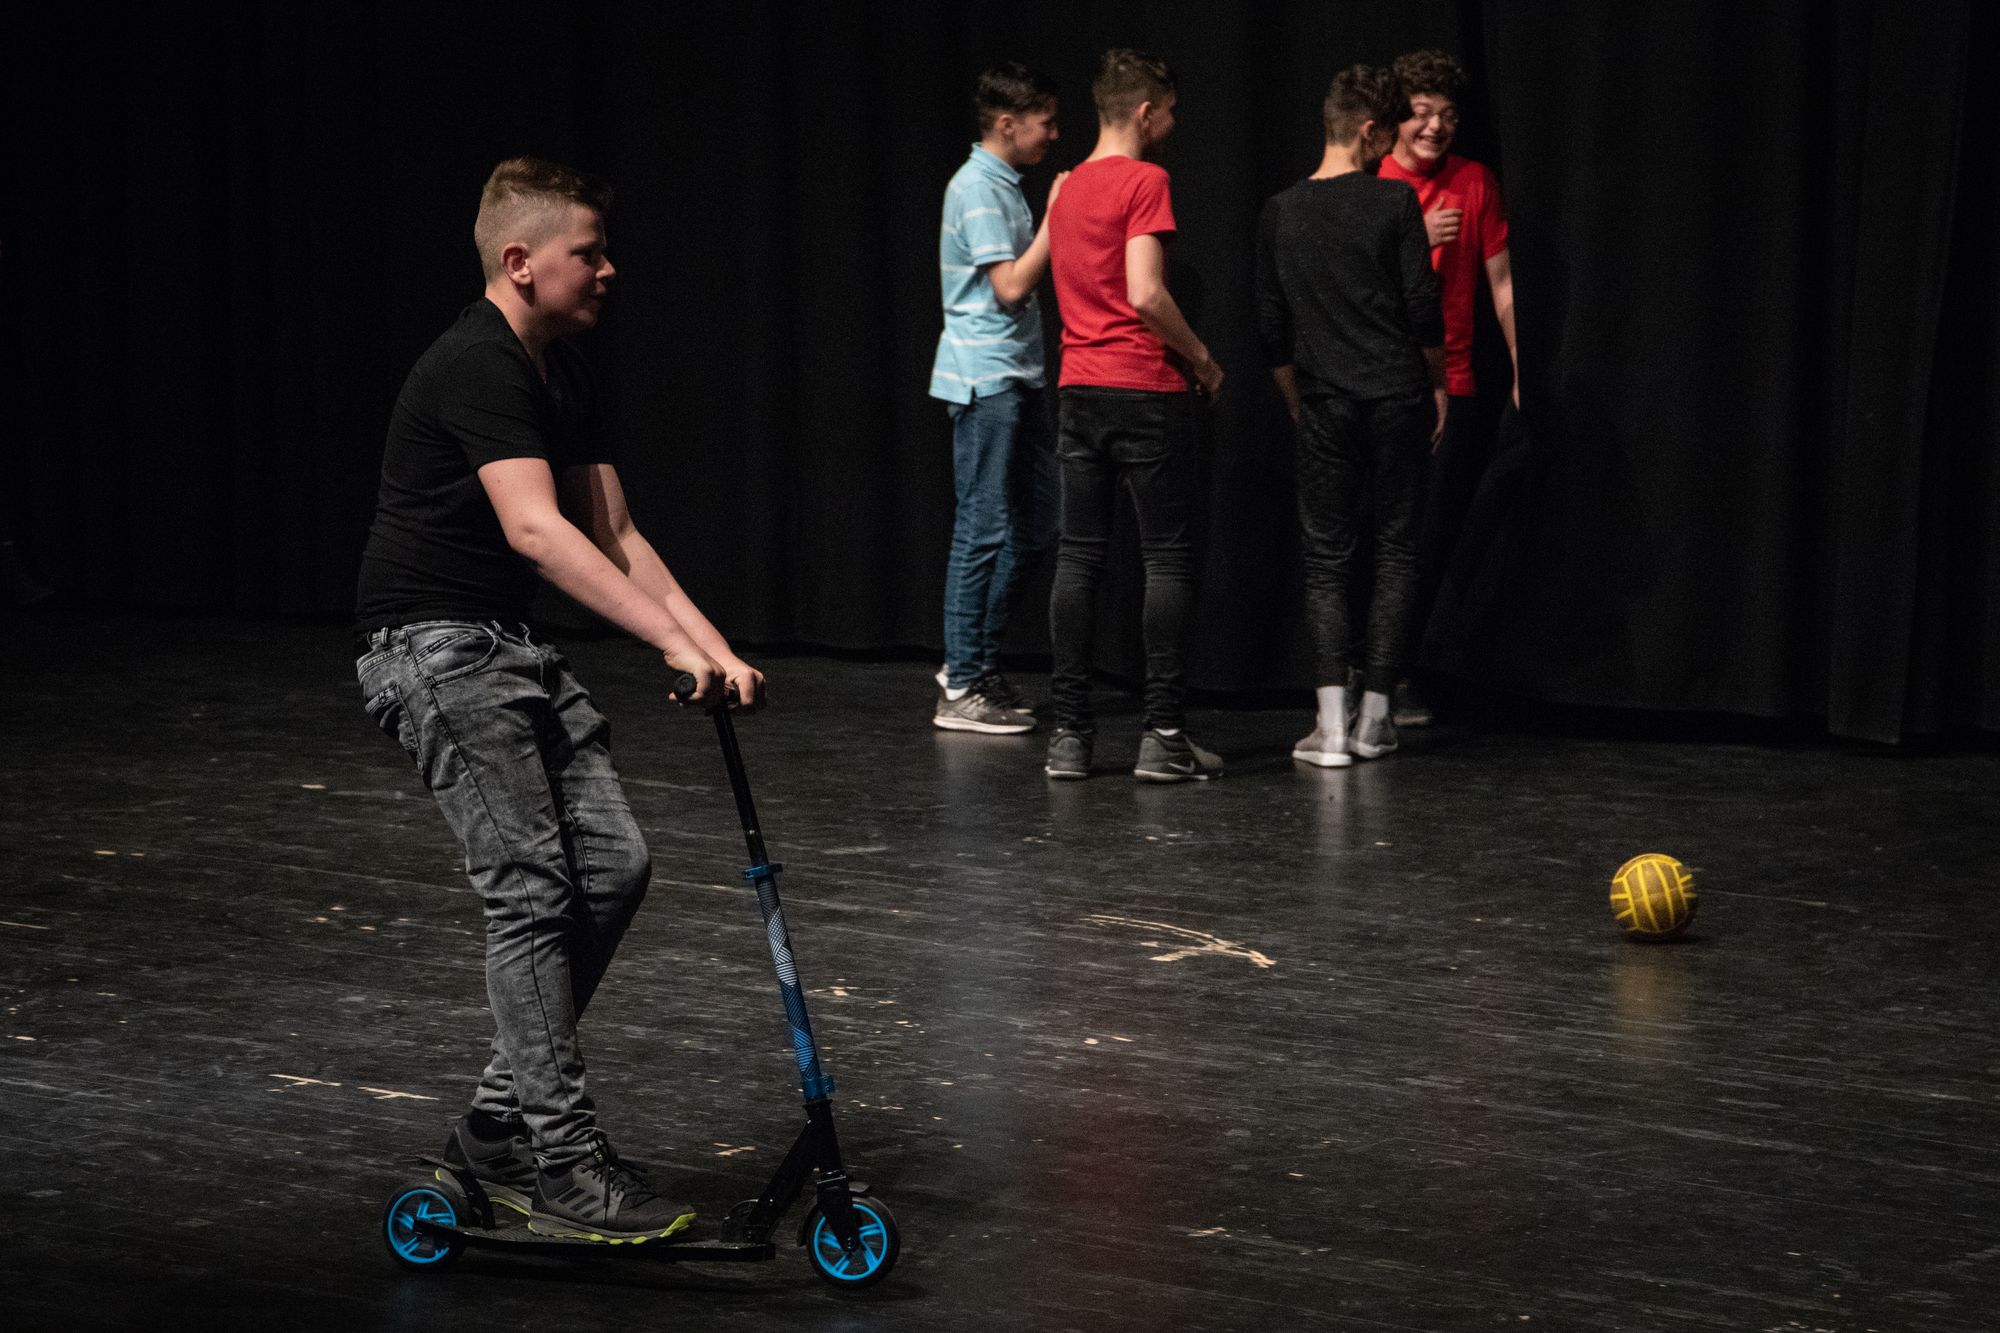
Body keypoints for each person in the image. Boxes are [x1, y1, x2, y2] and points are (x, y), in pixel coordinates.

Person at [352, 158, 764, 1244]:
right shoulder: (476, 363)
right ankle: (562, 1165)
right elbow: (537, 530)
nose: (609, 268)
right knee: (532, 892)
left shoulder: (560, 370)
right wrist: (667, 641)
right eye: (589, 252)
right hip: (434, 649)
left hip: (506, 646)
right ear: (521, 261)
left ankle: (496, 1128)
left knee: (614, 868)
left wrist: (712, 648)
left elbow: (614, 534)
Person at [1043, 48, 1225, 782]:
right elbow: (1146, 293)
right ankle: (1164, 735)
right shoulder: (1145, 180)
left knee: (1079, 557)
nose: (1172, 126)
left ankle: (1069, 737)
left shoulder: (1065, 190)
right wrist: (1203, 360)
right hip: (1144, 389)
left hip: (1078, 391)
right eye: (1170, 113)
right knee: (1167, 558)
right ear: (1146, 112)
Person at [1255, 65, 1445, 764]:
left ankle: (1331, 728)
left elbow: (1270, 326)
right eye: (1388, 138)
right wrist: (1439, 384)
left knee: (1327, 560)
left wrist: (1295, 397)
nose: (1389, 151)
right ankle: (1376, 720)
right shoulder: (1395, 201)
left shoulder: (1281, 210)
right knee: (1395, 550)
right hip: (1397, 395)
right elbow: (1421, 304)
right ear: (1369, 131)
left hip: (1326, 402)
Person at [1377, 49, 1518, 727]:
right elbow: (1352, 288)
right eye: (1421, 113)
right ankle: (1360, 671)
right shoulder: (1375, 181)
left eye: (1447, 115)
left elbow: (1502, 282)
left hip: (1451, 383)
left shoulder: (1474, 181)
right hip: (1380, 383)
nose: (1435, 126)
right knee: (1377, 533)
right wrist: (1413, 236)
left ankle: (1399, 671)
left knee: (1428, 538)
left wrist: (1519, 364)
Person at [929, 63, 1068, 734]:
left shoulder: (1003, 185)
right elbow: (1011, 286)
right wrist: (1057, 219)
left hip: (1019, 376)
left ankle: (976, 665)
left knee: (1040, 525)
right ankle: (960, 683)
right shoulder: (978, 188)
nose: (1054, 135)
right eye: (1046, 123)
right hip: (985, 380)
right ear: (1008, 124)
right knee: (981, 528)